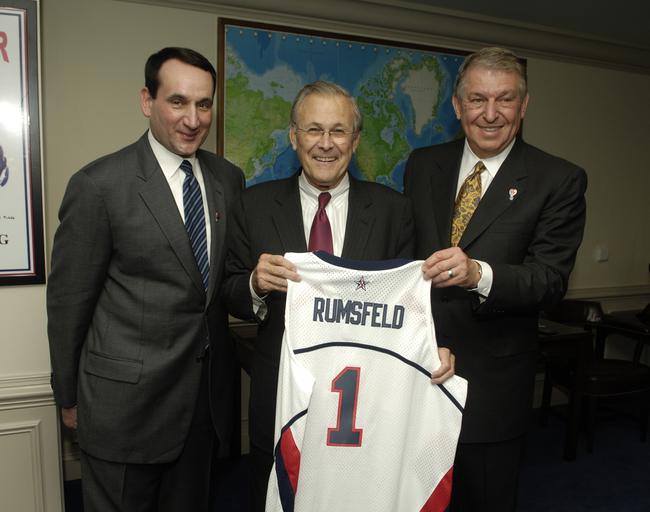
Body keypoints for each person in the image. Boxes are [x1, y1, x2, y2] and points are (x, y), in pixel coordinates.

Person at [223, 80, 455, 511]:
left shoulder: (394, 211)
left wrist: (432, 346)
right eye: (313, 130)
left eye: (338, 131)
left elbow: (413, 305)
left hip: (366, 406)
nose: (326, 144)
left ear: (356, 140)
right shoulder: (252, 206)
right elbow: (228, 292)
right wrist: (254, 284)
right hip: (281, 400)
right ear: (294, 137)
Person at [47, 47, 244, 512]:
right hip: (122, 412)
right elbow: (69, 303)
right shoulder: (99, 184)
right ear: (146, 101)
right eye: (178, 101)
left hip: (202, 412)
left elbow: (219, 286)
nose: (193, 119)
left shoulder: (229, 179)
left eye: (204, 104)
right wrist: (69, 397)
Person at [404, 47, 587, 511]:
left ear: (523, 106)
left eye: (504, 99)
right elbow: (403, 255)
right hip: (414, 373)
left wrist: (477, 274)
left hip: (492, 387)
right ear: (457, 105)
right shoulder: (422, 164)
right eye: (477, 99)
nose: (490, 114)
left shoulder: (558, 179)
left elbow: (549, 280)